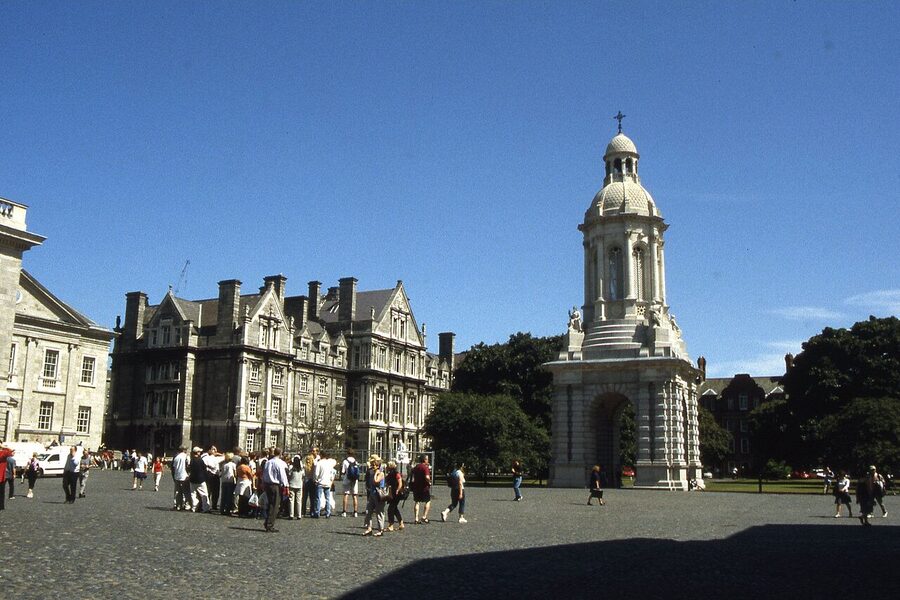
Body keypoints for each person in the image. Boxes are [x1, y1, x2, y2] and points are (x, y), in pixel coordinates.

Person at [261, 447, 289, 533]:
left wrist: (263, 483)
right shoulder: (280, 463)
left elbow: (264, 473)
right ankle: (269, 524)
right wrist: (286, 485)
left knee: (270, 504)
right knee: (275, 505)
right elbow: (282, 475)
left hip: (267, 484)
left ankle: (267, 522)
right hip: (275, 485)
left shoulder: (268, 462)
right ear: (280, 454)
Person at [362, 454, 386, 537]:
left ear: (378, 465)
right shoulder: (371, 472)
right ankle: (369, 528)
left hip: (379, 495)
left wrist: (376, 473)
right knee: (368, 511)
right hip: (372, 493)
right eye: (372, 464)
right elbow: (369, 481)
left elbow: (376, 481)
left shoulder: (381, 473)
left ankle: (380, 529)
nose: (373, 466)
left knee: (379, 512)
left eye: (374, 465)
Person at [314, 450, 337, 518]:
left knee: (318, 498)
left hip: (320, 482)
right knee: (328, 498)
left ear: (321, 455)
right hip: (327, 482)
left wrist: (316, 479)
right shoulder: (329, 463)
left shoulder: (319, 463)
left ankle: (317, 512)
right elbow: (331, 473)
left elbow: (316, 473)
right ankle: (328, 512)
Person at [410, 454, 432, 524]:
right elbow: (427, 477)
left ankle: (416, 518)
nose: (428, 460)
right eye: (427, 459)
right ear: (425, 460)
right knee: (428, 501)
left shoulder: (416, 467)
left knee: (417, 502)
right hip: (424, 488)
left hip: (416, 487)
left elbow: (412, 474)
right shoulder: (425, 468)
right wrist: (429, 482)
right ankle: (424, 516)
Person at [385, 460, 405, 532]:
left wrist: (397, 490)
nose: (386, 467)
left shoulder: (396, 474)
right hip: (392, 493)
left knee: (390, 509)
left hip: (397, 493)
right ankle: (401, 523)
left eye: (387, 466)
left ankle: (391, 525)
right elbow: (387, 484)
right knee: (395, 509)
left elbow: (400, 483)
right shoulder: (389, 474)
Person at [188, 447, 210, 512]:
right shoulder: (200, 460)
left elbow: (189, 469)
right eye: (199, 452)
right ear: (197, 452)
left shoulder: (192, 460)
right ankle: (205, 508)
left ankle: (194, 507)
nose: (200, 453)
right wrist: (207, 478)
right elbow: (204, 470)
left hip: (192, 479)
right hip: (200, 480)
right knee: (204, 494)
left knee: (193, 494)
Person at [341, 449, 360, 518]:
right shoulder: (356, 462)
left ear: (347, 454)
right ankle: (355, 512)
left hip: (347, 479)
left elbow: (343, 471)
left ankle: (344, 511)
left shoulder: (345, 461)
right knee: (354, 495)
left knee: (346, 494)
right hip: (355, 480)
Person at [203, 446, 222, 512]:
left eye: (216, 449)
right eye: (213, 449)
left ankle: (214, 505)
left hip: (216, 476)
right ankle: (207, 505)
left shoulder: (216, 458)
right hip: (209, 475)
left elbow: (225, 457)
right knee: (209, 490)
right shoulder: (206, 457)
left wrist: (218, 454)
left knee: (216, 491)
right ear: (209, 450)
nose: (215, 450)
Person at [288, 454, 304, 520]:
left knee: (291, 500)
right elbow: (303, 475)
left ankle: (291, 514)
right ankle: (299, 515)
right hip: (299, 485)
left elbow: (288, 475)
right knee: (299, 500)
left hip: (292, 484)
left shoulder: (291, 468)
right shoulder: (301, 469)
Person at [0, 445, 12, 511]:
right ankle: (1, 506)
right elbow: (10, 451)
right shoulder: (3, 453)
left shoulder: (3, 453)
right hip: (1, 476)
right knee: (1, 492)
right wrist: (4, 446)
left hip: (1, 476)